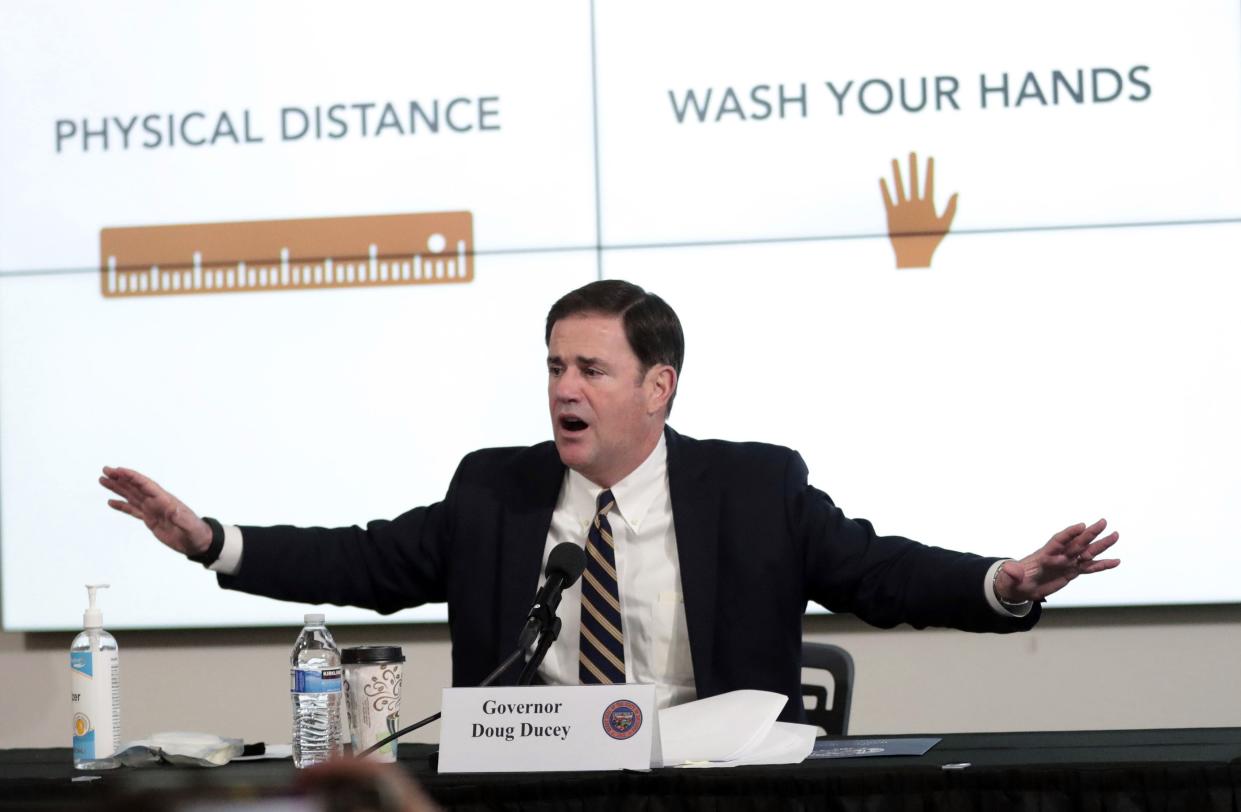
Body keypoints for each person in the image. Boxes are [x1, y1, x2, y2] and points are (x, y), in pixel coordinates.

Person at [100, 279, 1120, 721]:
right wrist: (205, 537)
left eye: (589, 366)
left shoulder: (756, 485)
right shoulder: (495, 489)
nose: (561, 388)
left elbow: (877, 570)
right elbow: (364, 563)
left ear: (657, 387)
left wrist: (1004, 578)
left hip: (708, 787)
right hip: (535, 786)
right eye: (552, 365)